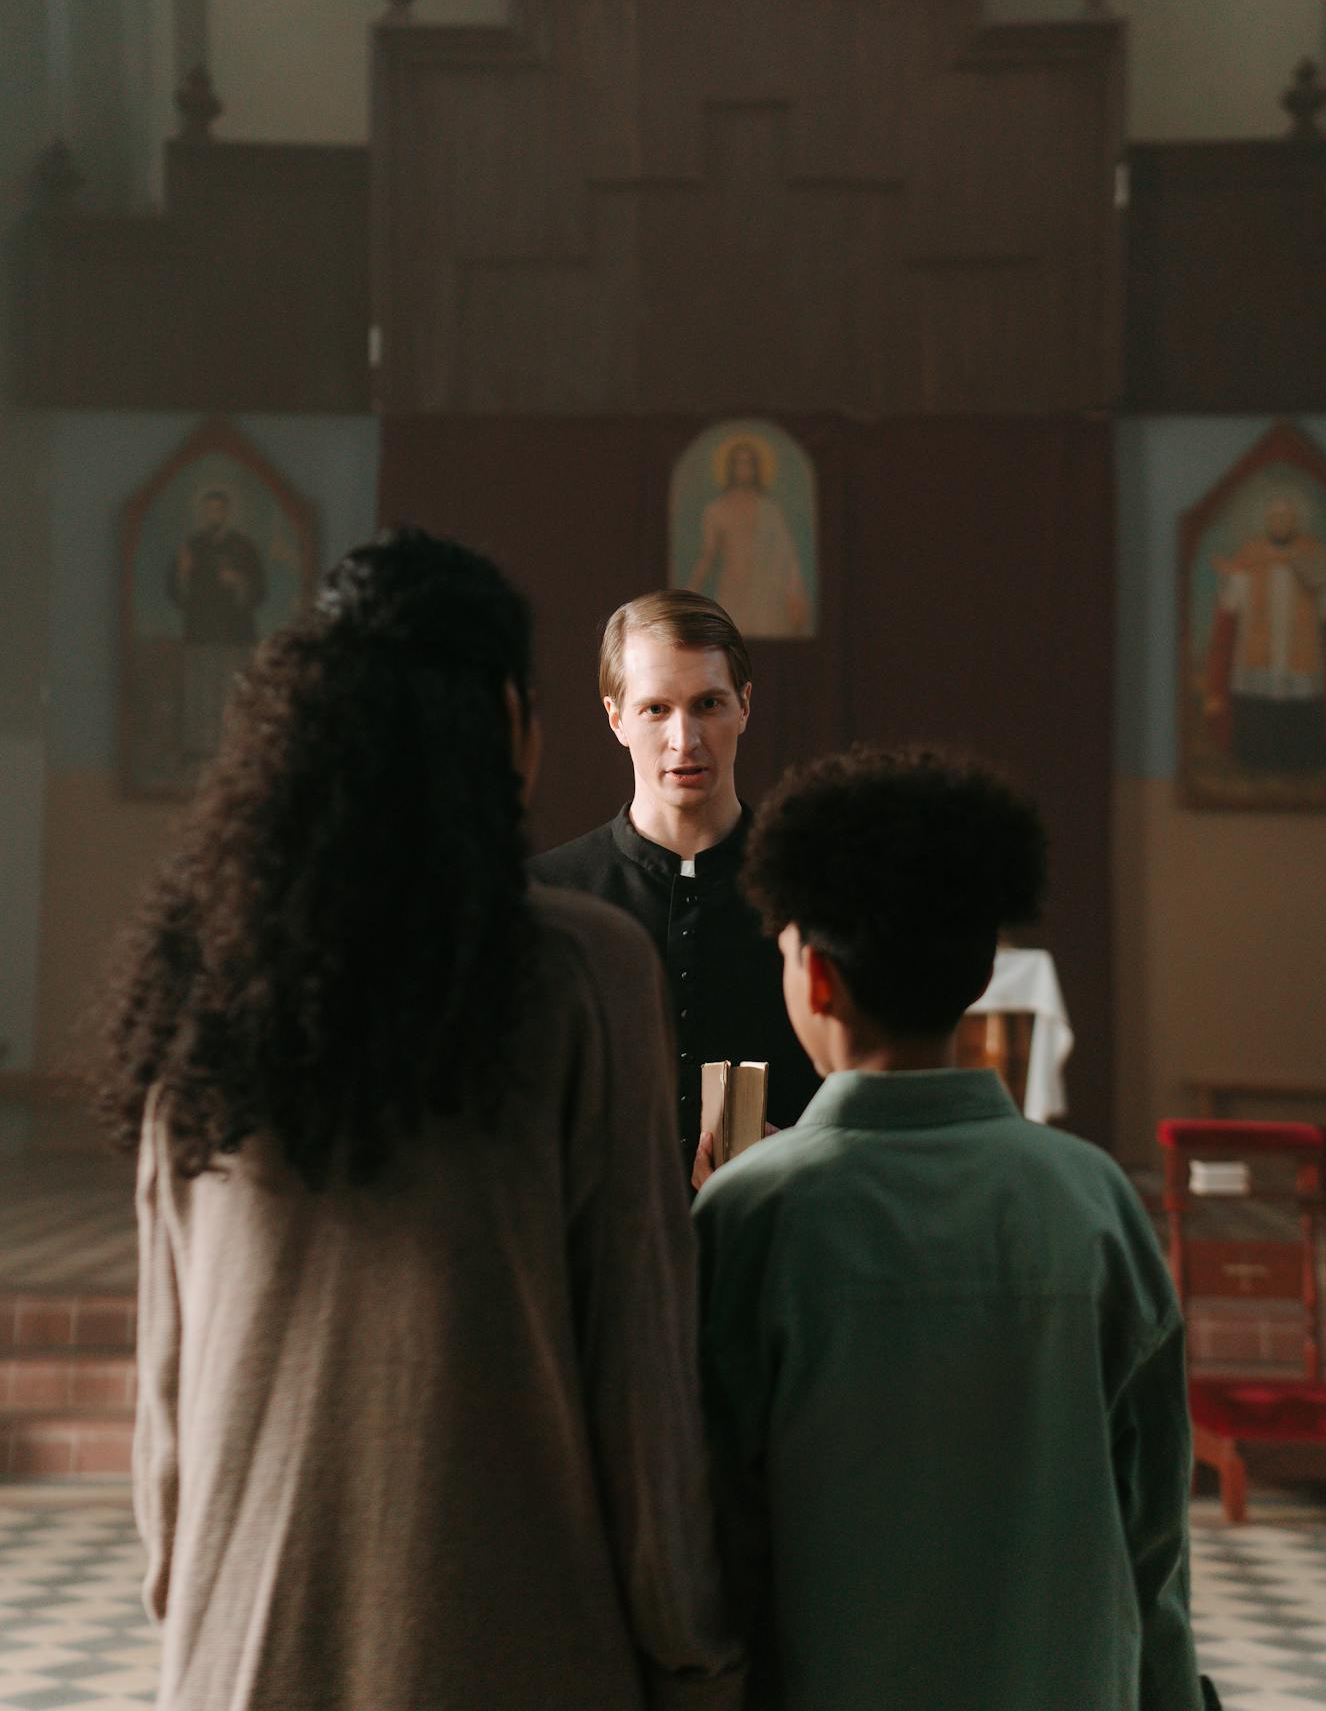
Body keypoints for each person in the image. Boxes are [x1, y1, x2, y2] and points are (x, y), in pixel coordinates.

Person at [100, 528, 743, 1711]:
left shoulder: (203, 983)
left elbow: (168, 1408)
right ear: (511, 719)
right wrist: (698, 1658)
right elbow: (640, 1384)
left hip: (240, 1651)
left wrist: (200, 1623)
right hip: (513, 1650)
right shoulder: (578, 972)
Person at [693, 745, 1212, 1711]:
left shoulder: (748, 1213)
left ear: (815, 980)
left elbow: (706, 1533)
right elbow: (1154, 1539)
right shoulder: (1092, 1202)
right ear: (978, 974)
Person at [531, 590, 817, 1182]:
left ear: (744, 706)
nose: (684, 740)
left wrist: (805, 1153)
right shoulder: (546, 898)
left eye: (707, 704)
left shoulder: (813, 890)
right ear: (616, 718)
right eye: (656, 709)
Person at [1203, 491, 1326, 775]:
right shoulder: (1250, 556)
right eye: (1275, 517)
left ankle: (1302, 763)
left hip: (1302, 655)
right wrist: (1228, 580)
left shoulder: (1313, 554)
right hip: (1257, 653)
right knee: (1258, 710)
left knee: (1300, 712)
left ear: (1295, 522)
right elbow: (1231, 604)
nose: (1280, 522)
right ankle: (1255, 761)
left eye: (1286, 517)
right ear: (1268, 522)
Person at [167, 487, 268, 760]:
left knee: (231, 691)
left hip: (235, 633)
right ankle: (200, 751)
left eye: (219, 509)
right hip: (200, 632)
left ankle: (232, 751)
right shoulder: (192, 546)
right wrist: (182, 573)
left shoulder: (244, 547)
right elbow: (176, 594)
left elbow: (260, 592)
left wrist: (239, 582)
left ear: (227, 512)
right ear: (203, 513)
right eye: (209, 509)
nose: (215, 514)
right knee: (200, 692)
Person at [688, 438, 810, 639]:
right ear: (731, 468)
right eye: (738, 463)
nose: (743, 469)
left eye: (748, 463)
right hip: (733, 588)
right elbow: (708, 555)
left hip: (767, 590)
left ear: (756, 468)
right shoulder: (716, 510)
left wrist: (795, 592)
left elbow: (787, 554)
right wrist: (690, 591)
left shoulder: (770, 510)